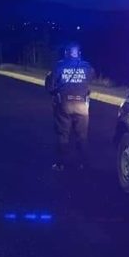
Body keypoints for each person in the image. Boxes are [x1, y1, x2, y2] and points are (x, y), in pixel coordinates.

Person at [46, 42, 94, 171]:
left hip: (64, 105)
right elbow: (90, 80)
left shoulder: (58, 66)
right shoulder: (87, 66)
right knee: (82, 136)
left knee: (63, 134)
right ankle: (83, 164)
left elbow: (49, 86)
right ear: (79, 53)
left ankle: (61, 164)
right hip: (82, 105)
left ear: (66, 53)